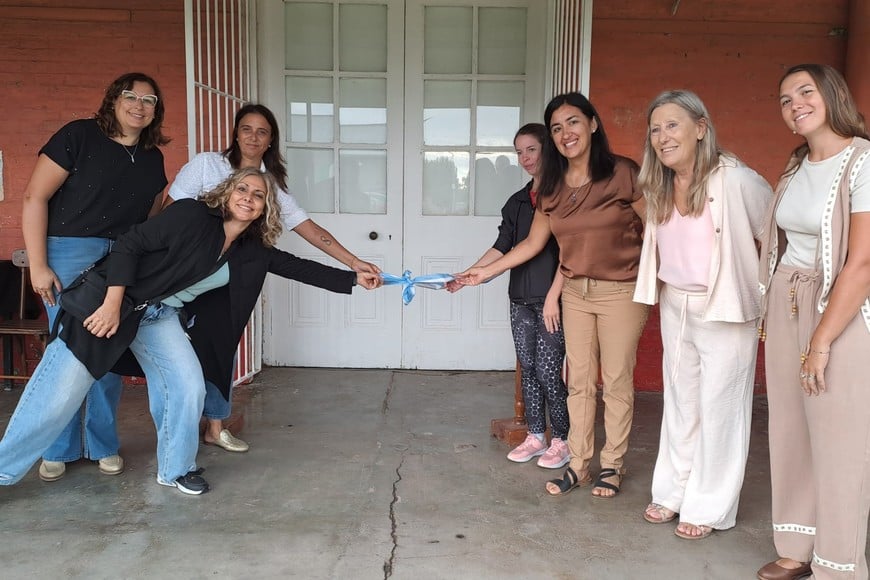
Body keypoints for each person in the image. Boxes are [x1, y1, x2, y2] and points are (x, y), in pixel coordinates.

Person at [0, 168, 380, 495]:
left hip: (158, 316)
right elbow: (130, 246)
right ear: (227, 192)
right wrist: (113, 303)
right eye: (242, 189)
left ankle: (176, 469)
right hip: (109, 302)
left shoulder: (252, 249)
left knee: (188, 387)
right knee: (57, 397)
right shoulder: (191, 215)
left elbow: (301, 268)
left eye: (258, 195)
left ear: (266, 208)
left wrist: (355, 276)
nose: (248, 197)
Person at [455, 92, 649, 498]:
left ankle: (611, 465)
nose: (566, 133)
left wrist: (661, 280)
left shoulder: (623, 173)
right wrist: (481, 273)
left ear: (593, 124)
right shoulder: (552, 187)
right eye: (557, 128)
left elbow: (658, 230)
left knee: (614, 382)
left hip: (620, 291)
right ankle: (578, 464)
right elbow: (528, 245)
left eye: (573, 122)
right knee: (578, 382)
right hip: (575, 291)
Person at [165, 103, 380, 453]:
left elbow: (309, 231)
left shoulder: (272, 185)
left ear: (270, 141)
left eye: (262, 131)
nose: (253, 136)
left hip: (234, 275)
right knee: (177, 346)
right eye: (246, 128)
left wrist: (355, 264)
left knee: (222, 345)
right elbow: (171, 210)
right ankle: (179, 431)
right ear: (235, 132)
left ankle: (215, 426)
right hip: (188, 270)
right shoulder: (208, 164)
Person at [633, 90, 773, 540]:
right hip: (677, 303)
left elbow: (774, 235)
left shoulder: (735, 179)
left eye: (672, 125)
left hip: (726, 307)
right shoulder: (658, 182)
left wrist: (770, 297)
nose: (662, 136)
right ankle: (672, 492)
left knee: (721, 409)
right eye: (655, 128)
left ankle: (709, 506)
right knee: (681, 404)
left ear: (701, 128)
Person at [21, 72, 170, 482]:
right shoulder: (78, 136)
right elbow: (35, 196)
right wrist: (38, 264)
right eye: (130, 96)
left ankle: (101, 442)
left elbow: (152, 219)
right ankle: (57, 446)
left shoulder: (153, 157)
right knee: (66, 353)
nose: (139, 105)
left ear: (157, 110)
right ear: (113, 100)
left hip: (121, 261)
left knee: (109, 351)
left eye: (149, 99)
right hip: (69, 251)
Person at [756, 64, 870, 580]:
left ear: (831, 95)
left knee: (839, 437)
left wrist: (822, 339)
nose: (794, 103)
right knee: (790, 425)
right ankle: (796, 545)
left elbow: (863, 262)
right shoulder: (796, 165)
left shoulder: (863, 162)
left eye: (805, 91)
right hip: (786, 299)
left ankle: (839, 563)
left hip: (840, 309)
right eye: (784, 99)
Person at [448, 123, 569, 469]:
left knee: (549, 373)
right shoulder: (516, 202)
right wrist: (469, 274)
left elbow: (570, 254)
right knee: (527, 369)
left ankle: (561, 439)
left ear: (547, 148)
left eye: (531, 149)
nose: (525, 158)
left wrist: (553, 298)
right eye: (518, 152)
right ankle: (535, 436)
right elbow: (501, 247)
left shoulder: (563, 197)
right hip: (520, 298)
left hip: (552, 302)